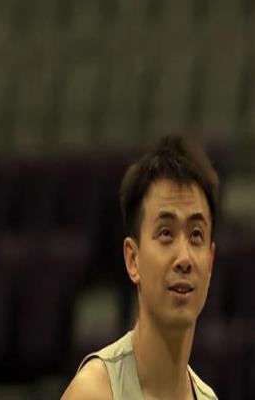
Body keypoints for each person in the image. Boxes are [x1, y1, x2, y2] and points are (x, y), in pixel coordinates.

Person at [61, 135, 218, 400]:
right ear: (132, 259)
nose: (184, 258)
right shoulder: (94, 392)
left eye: (196, 235)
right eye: (166, 233)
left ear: (210, 261)